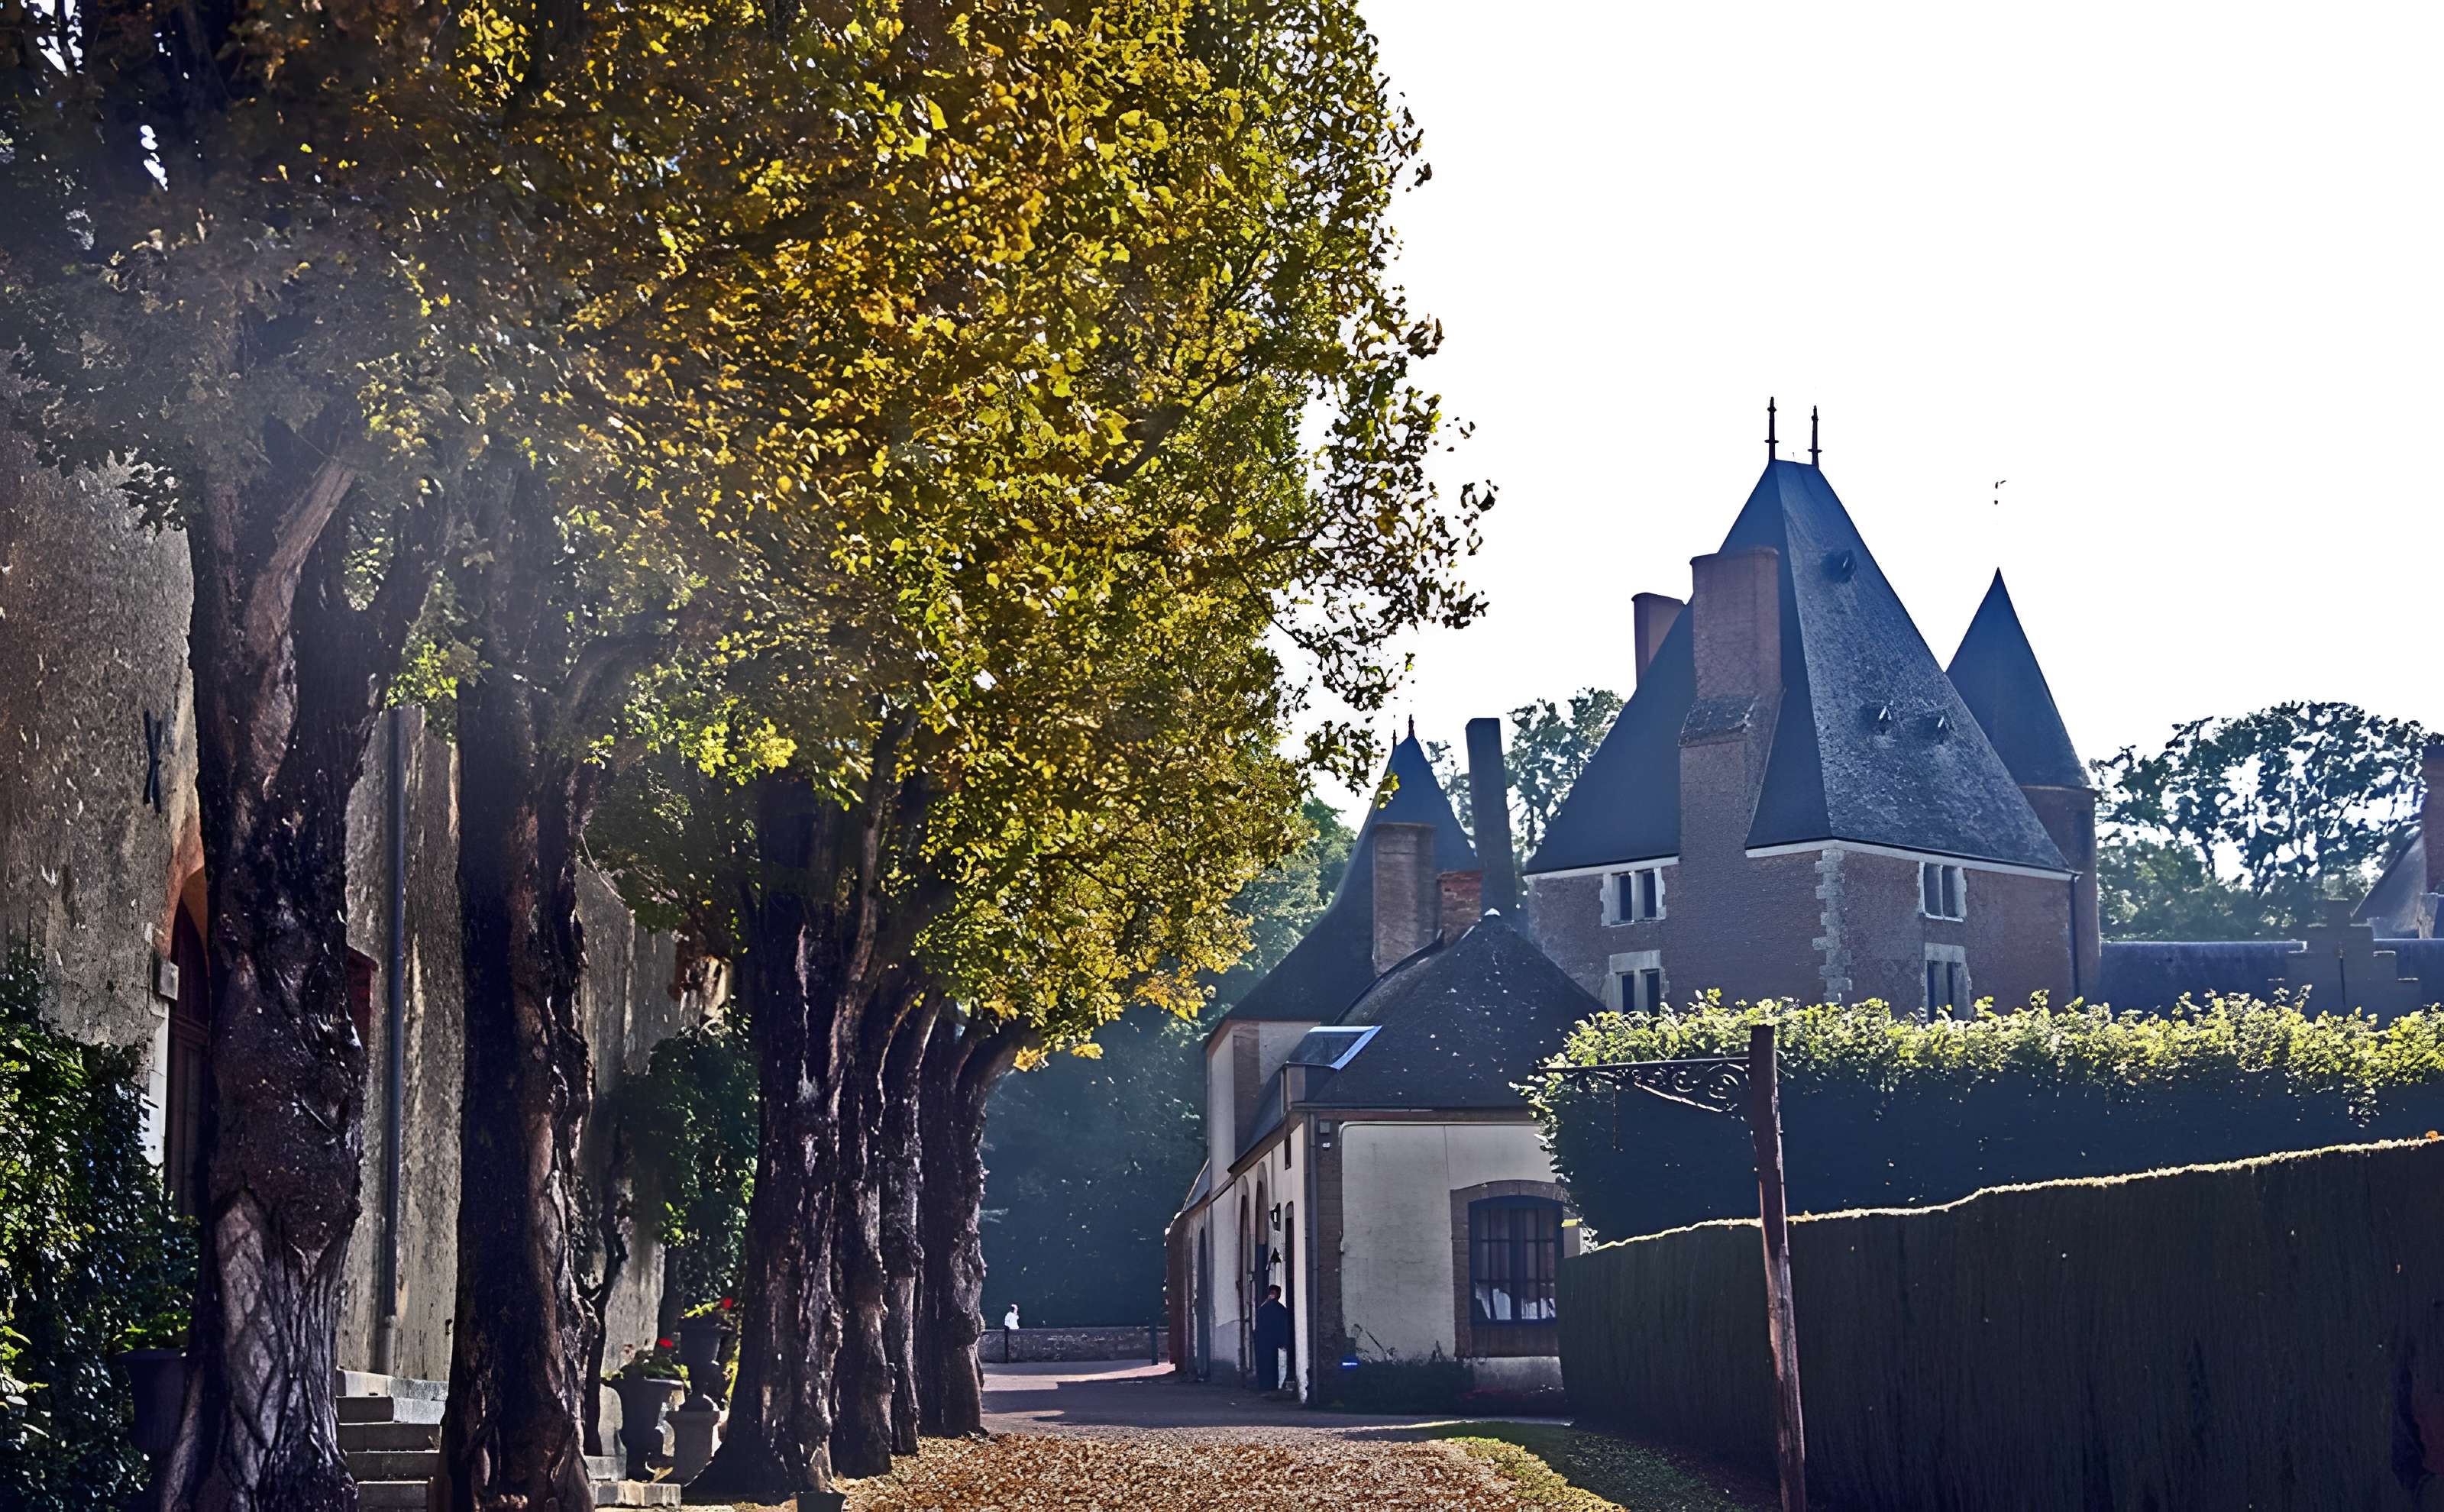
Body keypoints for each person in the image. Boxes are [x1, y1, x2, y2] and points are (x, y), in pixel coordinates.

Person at [1252, 1284, 1291, 1393]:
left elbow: (1259, 1324)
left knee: (1263, 1364)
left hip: (1262, 1341)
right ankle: (1272, 1386)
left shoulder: (1263, 1308)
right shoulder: (1281, 1309)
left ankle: (1264, 1386)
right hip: (1273, 1341)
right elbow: (1283, 1326)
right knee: (1272, 1364)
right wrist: (1283, 1341)